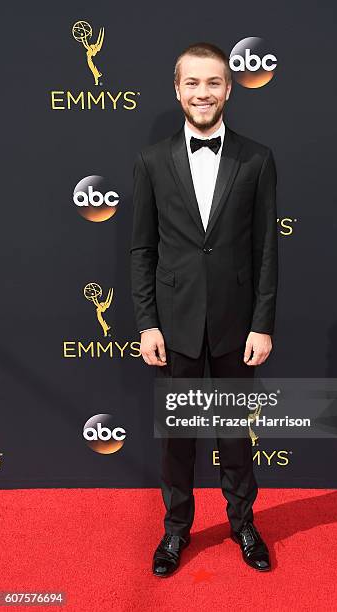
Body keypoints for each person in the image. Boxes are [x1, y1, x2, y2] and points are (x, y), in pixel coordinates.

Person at [130, 42, 278, 576]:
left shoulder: (257, 158)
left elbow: (266, 249)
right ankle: (176, 531)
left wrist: (262, 324)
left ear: (229, 88)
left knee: (235, 435)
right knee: (178, 441)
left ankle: (243, 524)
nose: (202, 93)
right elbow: (143, 249)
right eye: (192, 83)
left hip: (238, 330)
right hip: (174, 326)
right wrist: (147, 322)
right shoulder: (151, 161)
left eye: (213, 83)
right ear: (177, 89)